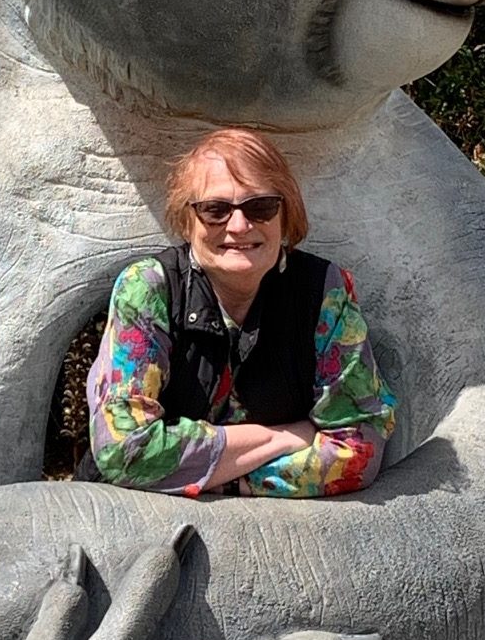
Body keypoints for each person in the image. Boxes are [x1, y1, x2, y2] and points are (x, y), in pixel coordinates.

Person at [85, 127, 396, 496]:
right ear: (187, 221)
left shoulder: (325, 293)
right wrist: (281, 437)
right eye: (214, 209)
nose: (239, 225)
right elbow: (124, 451)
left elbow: (359, 449)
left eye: (260, 207)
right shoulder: (148, 289)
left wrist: (230, 481)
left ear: (286, 216)